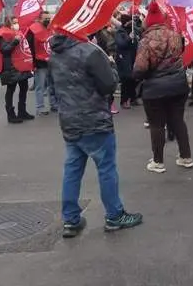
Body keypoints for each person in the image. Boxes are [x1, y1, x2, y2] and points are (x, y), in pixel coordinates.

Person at [48, 28, 143, 237]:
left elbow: (53, 88)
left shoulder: (54, 53)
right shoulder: (90, 51)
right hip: (94, 120)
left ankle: (71, 220)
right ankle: (114, 215)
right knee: (106, 168)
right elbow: (109, 85)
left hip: (69, 120)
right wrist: (110, 64)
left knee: (73, 169)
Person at [132, 2, 193, 173]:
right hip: (178, 85)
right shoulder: (175, 35)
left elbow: (140, 68)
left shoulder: (146, 41)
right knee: (178, 120)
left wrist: (137, 77)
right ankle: (186, 157)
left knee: (157, 125)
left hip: (155, 88)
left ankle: (158, 161)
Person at [0, 17, 34, 124]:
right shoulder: (2, 34)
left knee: (24, 87)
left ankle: (22, 111)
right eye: (14, 23)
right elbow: (5, 50)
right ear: (8, 23)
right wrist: (15, 40)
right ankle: (10, 114)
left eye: (17, 22)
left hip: (21, 64)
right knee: (11, 90)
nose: (16, 24)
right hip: (10, 66)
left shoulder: (18, 32)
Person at [27, 11, 57, 115]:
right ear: (40, 19)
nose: (48, 20)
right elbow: (29, 48)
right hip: (39, 63)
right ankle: (40, 107)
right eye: (46, 18)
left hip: (52, 62)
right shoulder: (33, 30)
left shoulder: (52, 28)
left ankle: (54, 105)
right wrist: (33, 64)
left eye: (49, 18)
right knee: (40, 86)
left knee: (52, 85)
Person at [114, 13, 140, 110]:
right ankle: (124, 100)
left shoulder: (134, 30)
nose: (131, 22)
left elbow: (140, 33)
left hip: (133, 57)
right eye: (129, 21)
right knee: (126, 80)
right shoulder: (119, 32)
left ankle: (133, 98)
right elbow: (121, 44)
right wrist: (129, 38)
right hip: (124, 59)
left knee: (134, 78)